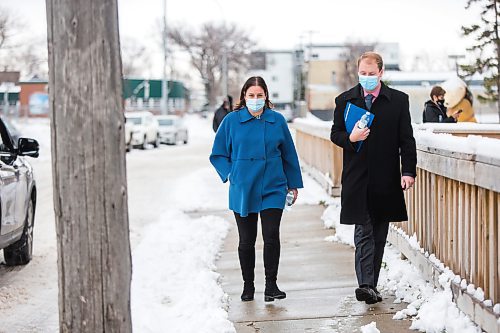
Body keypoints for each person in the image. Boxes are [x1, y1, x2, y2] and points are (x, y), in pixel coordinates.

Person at [330, 52, 417, 304]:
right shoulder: (344, 100)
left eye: (371, 74)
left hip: (386, 177)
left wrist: (408, 171)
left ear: (381, 73)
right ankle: (365, 284)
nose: (366, 78)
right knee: (364, 230)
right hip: (357, 177)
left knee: (379, 232)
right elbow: (335, 133)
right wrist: (351, 139)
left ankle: (372, 285)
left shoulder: (398, 101)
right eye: (362, 73)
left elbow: (406, 140)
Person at [210, 76, 303, 302]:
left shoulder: (277, 120)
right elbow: (218, 154)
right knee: (246, 240)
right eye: (251, 95)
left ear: (266, 97)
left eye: (259, 95)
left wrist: (293, 184)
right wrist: (231, 174)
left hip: (273, 185)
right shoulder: (231, 121)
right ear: (244, 97)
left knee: (271, 236)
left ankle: (271, 286)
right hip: (243, 187)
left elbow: (289, 154)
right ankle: (248, 286)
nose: (255, 99)